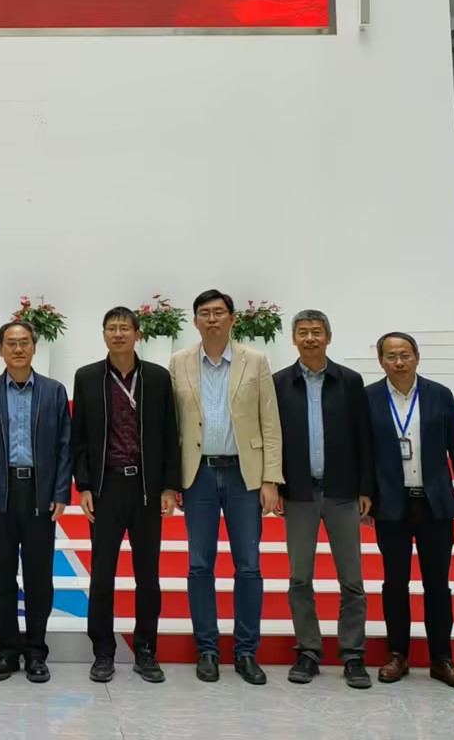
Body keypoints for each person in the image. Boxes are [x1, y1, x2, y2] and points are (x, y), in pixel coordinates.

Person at [168, 289, 282, 685]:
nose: (212, 319)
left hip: (243, 475)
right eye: (205, 313)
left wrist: (270, 479)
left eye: (219, 312)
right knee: (199, 565)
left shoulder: (256, 360)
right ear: (195, 321)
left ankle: (246, 651)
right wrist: (173, 480)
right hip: (197, 475)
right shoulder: (179, 362)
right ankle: (208, 650)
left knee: (248, 566)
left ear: (233, 319)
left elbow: (270, 423)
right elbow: (172, 426)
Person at [73, 307, 180, 684]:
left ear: (138, 334)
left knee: (147, 575)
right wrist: (84, 485)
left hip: (146, 489)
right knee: (102, 574)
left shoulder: (158, 377)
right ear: (104, 334)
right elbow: (79, 437)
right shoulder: (87, 377)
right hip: (106, 488)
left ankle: (146, 650)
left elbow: (170, 433)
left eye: (124, 328)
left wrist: (169, 485)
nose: (118, 334)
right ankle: (103, 651)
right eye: (111, 328)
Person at [366, 332, 454, 691]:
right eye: (391, 356)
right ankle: (397, 655)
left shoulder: (439, 395)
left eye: (405, 354)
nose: (399, 362)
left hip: (435, 504)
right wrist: (364, 496)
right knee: (395, 582)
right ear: (381, 361)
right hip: (390, 504)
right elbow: (361, 452)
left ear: (417, 357)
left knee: (437, 584)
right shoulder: (368, 397)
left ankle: (442, 659)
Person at [0, 321, 72, 684]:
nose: (18, 349)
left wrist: (61, 492)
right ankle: (7, 652)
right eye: (10, 343)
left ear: (34, 347)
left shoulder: (54, 391)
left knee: (39, 578)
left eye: (24, 342)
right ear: (0, 350)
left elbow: (65, 446)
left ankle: (37, 653)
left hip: (40, 495)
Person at [272, 310, 372, 689]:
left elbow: (364, 437)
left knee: (352, 579)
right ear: (293, 339)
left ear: (328, 337)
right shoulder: (279, 383)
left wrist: (366, 488)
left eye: (317, 332)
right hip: (299, 493)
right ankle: (308, 651)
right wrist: (276, 485)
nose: (310, 338)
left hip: (342, 492)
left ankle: (353, 654)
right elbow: (272, 438)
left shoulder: (350, 381)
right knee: (300, 578)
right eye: (303, 332)